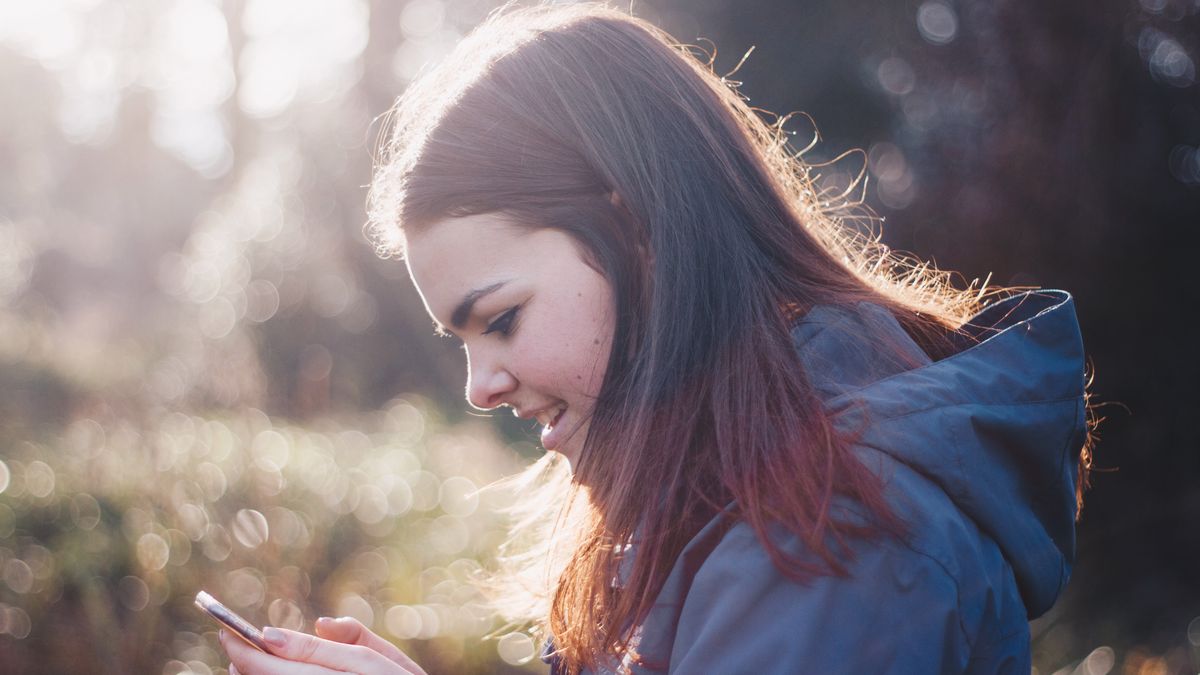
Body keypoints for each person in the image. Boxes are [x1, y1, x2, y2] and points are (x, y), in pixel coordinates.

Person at [220, 3, 1094, 674]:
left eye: (502, 319)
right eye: (462, 339)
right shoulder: (732, 488)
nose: (479, 385)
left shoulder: (834, 535)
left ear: (638, 232)